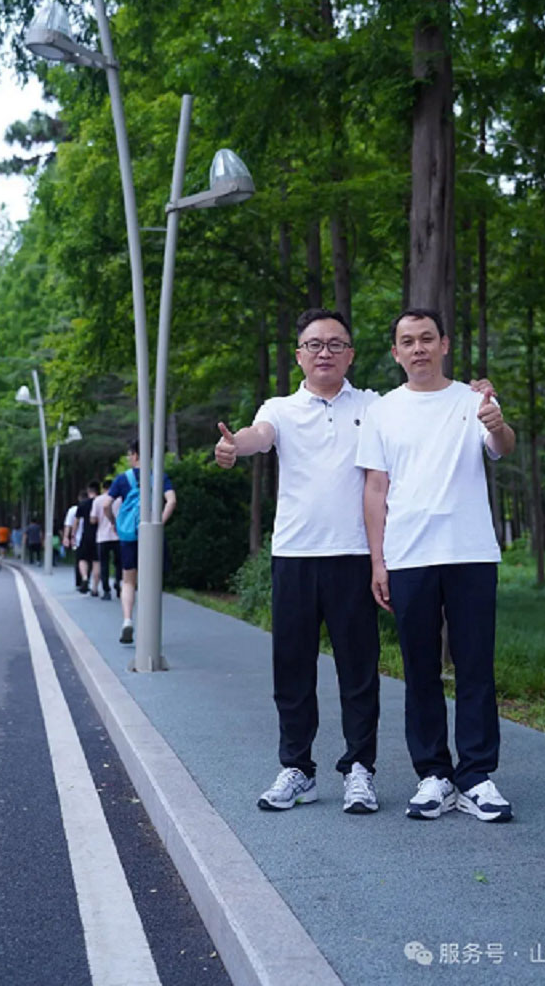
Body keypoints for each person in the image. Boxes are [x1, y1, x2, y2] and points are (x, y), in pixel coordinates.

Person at [214, 308, 383, 816]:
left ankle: (360, 769)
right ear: (298, 356)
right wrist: (235, 445)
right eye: (314, 345)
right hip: (295, 556)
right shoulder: (281, 408)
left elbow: (424, 408)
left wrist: (474, 392)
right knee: (292, 669)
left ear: (350, 354)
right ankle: (297, 769)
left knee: (358, 670)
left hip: (354, 555)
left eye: (335, 344)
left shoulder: (374, 406)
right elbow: (258, 434)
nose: (324, 352)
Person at [357, 308, 516, 824]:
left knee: (475, 667)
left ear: (444, 344)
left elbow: (500, 446)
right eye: (408, 341)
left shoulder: (475, 400)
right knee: (419, 668)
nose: (419, 348)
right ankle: (433, 774)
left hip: (470, 552)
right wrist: (378, 561)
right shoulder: (382, 411)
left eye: (427, 338)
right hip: (408, 555)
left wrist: (499, 425)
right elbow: (375, 488)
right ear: (396, 352)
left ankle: (476, 777)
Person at [105, 439, 176, 645]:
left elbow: (107, 505)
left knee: (128, 580)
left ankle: (127, 620)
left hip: (129, 536)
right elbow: (172, 501)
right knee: (151, 581)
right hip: (151, 535)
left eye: (129, 454)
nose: (129, 458)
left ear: (135, 455)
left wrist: (114, 523)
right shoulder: (158, 476)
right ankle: (149, 627)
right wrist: (158, 523)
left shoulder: (122, 479)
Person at [93, 476, 121, 600]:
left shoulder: (98, 500)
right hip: (118, 536)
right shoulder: (120, 499)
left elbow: (93, 519)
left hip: (102, 537)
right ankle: (118, 583)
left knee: (104, 564)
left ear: (103, 488)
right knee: (119, 563)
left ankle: (106, 590)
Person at [73, 482, 101, 595]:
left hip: (86, 535)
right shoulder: (101, 503)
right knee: (96, 561)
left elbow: (76, 521)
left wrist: (73, 535)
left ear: (89, 491)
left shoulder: (83, 504)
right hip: (99, 536)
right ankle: (95, 588)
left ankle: (84, 578)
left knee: (82, 559)